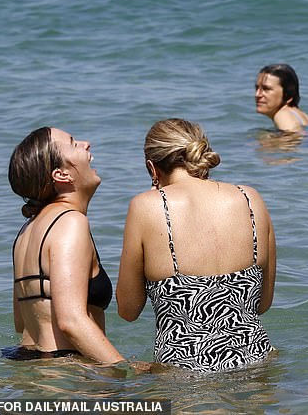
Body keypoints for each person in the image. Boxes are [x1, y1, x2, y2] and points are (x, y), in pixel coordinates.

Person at [117, 118, 276, 372]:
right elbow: (263, 303)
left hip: (184, 375)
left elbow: (128, 310)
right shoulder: (250, 198)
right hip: (257, 363)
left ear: (152, 167)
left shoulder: (146, 206)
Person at [6, 127, 124, 362]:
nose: (86, 143)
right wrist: (124, 371)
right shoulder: (70, 222)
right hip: (64, 369)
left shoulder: (26, 230)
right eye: (73, 143)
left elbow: (22, 323)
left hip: (28, 360)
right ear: (62, 175)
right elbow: (71, 321)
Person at [255, 63, 308, 132]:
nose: (257, 94)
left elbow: (291, 140)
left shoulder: (282, 115)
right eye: (257, 88)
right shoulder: (299, 115)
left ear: (287, 95)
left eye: (266, 89)